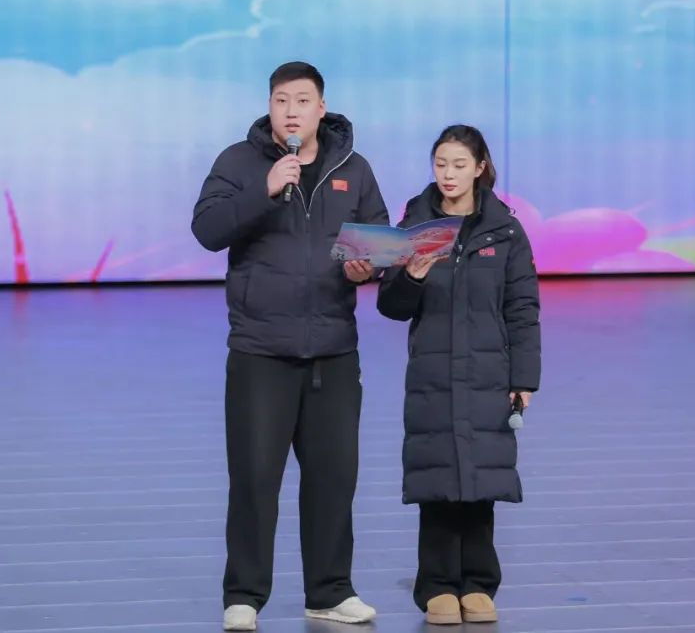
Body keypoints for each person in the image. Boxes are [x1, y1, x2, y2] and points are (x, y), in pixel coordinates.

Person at [191, 61, 388, 631]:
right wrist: (265, 189)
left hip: (333, 347)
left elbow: (378, 241)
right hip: (261, 348)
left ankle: (330, 590)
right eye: (282, 100)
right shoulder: (239, 162)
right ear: (270, 107)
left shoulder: (354, 168)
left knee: (334, 478)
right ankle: (244, 595)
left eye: (303, 100)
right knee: (255, 478)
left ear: (321, 109)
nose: (292, 111)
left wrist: (367, 269)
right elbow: (207, 230)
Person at [376, 125, 541, 625]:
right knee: (437, 478)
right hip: (432, 373)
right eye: (441, 164)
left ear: (480, 168)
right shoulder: (414, 224)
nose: (448, 174)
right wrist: (412, 275)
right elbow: (390, 306)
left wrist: (524, 379)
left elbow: (522, 308)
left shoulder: (505, 231)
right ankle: (437, 585)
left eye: (459, 165)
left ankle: (478, 583)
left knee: (481, 480)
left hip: (489, 372)